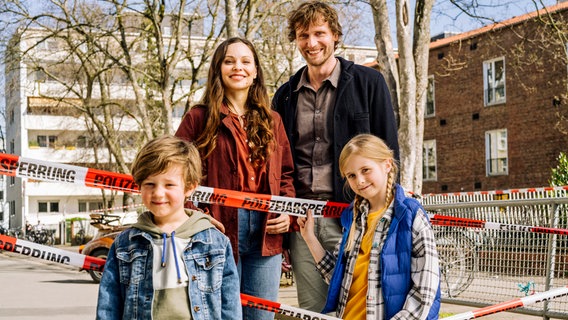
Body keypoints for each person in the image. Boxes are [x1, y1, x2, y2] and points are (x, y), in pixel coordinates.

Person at [272, 0, 400, 312]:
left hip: (357, 216)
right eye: (303, 35)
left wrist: (388, 213)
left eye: (319, 33)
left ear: (335, 36)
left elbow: (390, 152)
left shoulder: (369, 83)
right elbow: (277, 165)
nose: (311, 43)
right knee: (314, 311)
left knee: (363, 308)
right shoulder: (284, 95)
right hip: (305, 222)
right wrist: (286, 219)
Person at [175, 37, 295, 319]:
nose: (237, 67)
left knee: (260, 315)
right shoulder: (198, 118)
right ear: (218, 69)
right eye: (229, 61)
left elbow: (287, 174)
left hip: (267, 233)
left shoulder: (272, 120)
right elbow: (177, 172)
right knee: (219, 314)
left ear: (255, 72)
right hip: (217, 228)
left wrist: (287, 213)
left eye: (245, 61)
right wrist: (197, 217)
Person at [96, 135, 241, 320]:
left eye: (169, 184)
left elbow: (230, 306)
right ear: (139, 186)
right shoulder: (124, 244)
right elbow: (108, 305)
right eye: (150, 184)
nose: (158, 193)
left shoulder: (215, 242)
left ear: (189, 187)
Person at [298, 134, 441, 319]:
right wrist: (310, 238)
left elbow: (425, 293)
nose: (360, 181)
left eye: (366, 170)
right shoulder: (353, 218)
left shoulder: (411, 216)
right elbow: (340, 279)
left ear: (387, 165)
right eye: (351, 175)